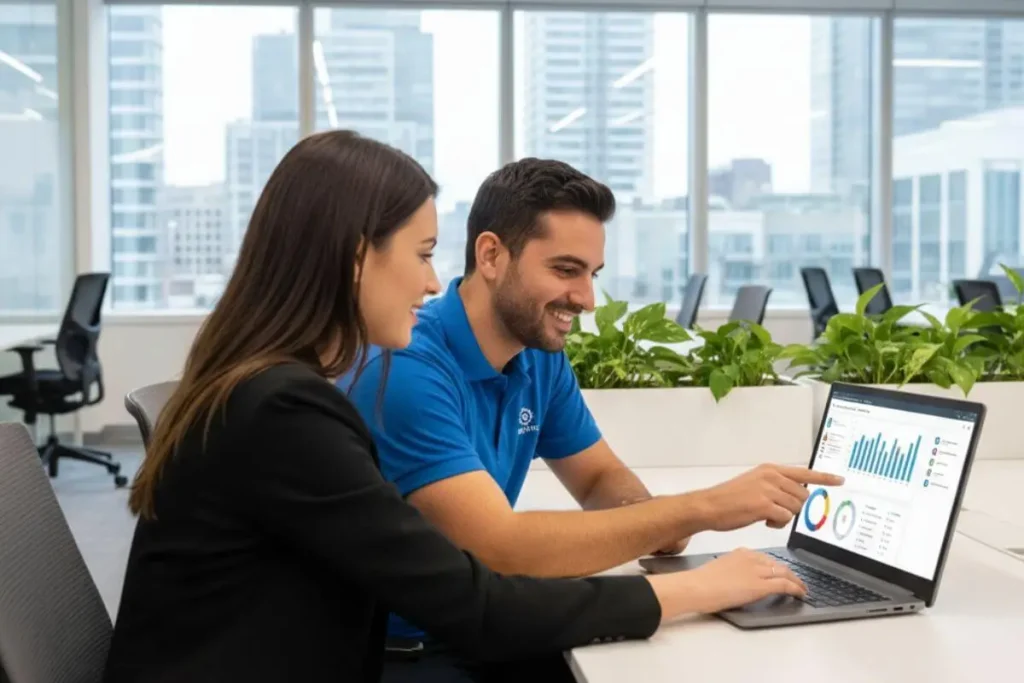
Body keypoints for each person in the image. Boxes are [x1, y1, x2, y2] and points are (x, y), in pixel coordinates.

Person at [101, 131, 829, 683]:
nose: (427, 281)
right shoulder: (291, 410)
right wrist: (702, 582)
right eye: (419, 254)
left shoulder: (267, 389)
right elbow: (481, 593)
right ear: (357, 257)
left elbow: (520, 551)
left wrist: (672, 532)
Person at [341, 157, 842, 681]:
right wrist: (700, 508)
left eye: (592, 274)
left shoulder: (536, 353)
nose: (585, 298)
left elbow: (599, 476)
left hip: (488, 624)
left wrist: (655, 522)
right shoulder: (406, 367)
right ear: (491, 255)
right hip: (410, 651)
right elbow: (501, 547)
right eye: (565, 270)